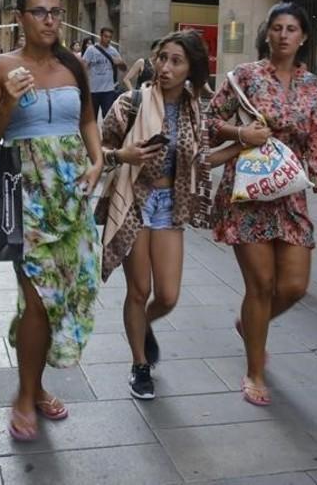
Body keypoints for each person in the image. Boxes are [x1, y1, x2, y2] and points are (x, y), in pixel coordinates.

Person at [0, 0, 103, 442]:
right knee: (36, 302)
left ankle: (37, 382)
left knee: (67, 294)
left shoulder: (75, 65)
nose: (49, 18)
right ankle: (25, 396)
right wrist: (9, 99)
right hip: (26, 194)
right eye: (39, 11)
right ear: (20, 17)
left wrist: (99, 161)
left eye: (55, 10)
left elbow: (88, 119)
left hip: (73, 195)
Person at [207, 2, 317, 407]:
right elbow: (210, 120)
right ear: (267, 34)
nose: (284, 35)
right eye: (277, 28)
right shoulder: (246, 77)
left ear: (303, 38)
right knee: (261, 286)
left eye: (292, 29)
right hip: (247, 191)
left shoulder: (310, 84)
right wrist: (240, 132)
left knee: (294, 286)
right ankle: (254, 372)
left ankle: (249, 323)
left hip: (289, 192)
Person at [99, 32, 213, 400]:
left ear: (191, 68)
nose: (165, 67)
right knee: (139, 289)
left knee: (167, 295)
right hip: (134, 198)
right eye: (162, 57)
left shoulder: (197, 109)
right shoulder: (130, 103)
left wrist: (243, 143)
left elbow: (203, 158)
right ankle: (139, 365)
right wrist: (124, 156)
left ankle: (142, 325)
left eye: (176, 61)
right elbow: (97, 151)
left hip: (168, 204)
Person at [83, 27, 125, 119]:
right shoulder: (91, 50)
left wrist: (120, 63)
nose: (108, 39)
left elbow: (124, 68)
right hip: (93, 90)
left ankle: (106, 133)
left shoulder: (113, 51)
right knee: (92, 118)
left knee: (107, 118)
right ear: (101, 36)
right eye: (106, 36)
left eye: (110, 37)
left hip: (108, 91)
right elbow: (83, 67)